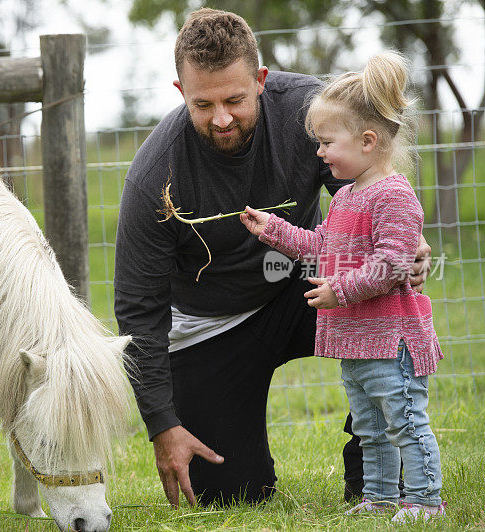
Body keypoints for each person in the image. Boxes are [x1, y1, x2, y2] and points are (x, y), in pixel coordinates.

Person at [113, 8, 431, 508]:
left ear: (261, 81)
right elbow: (138, 309)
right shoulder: (156, 174)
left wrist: (407, 241)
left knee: (386, 281)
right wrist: (162, 424)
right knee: (229, 492)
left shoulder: (310, 111)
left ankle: (376, 469)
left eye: (235, 99)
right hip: (210, 324)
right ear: (180, 92)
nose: (221, 118)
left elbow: (371, 186)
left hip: (298, 282)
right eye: (203, 104)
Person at [241, 51, 445, 523]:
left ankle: (426, 500)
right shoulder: (349, 196)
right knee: (372, 428)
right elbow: (321, 246)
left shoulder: (393, 195)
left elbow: (392, 263)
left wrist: (340, 291)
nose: (319, 153)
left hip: (391, 341)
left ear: (368, 141)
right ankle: (378, 496)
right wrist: (273, 228)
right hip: (358, 344)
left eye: (326, 142)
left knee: (406, 423)